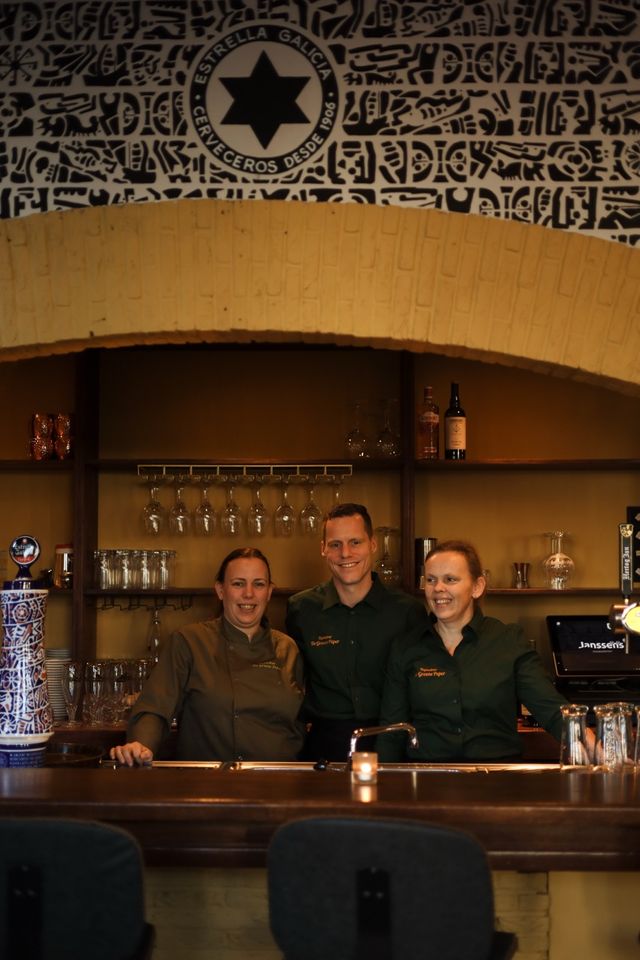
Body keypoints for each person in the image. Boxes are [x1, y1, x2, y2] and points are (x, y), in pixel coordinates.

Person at [378, 539, 571, 762]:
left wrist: (594, 748)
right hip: (428, 781)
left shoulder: (507, 641)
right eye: (431, 580)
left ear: (477, 587)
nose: (438, 588)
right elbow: (391, 730)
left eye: (450, 579)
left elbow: (551, 709)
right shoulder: (407, 647)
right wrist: (383, 785)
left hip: (496, 779)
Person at [110, 547, 304, 766]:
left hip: (280, 783)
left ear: (269, 592)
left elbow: (301, 722)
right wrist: (140, 745)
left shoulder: (288, 649)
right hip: (208, 784)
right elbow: (154, 707)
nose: (249, 594)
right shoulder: (189, 642)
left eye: (258, 584)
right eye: (238, 583)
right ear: (220, 590)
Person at [285, 503, 429, 761]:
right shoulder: (301, 609)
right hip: (324, 744)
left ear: (372, 544)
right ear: (323, 549)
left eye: (355, 542)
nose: (345, 553)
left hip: (392, 740)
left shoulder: (408, 613)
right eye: (335, 544)